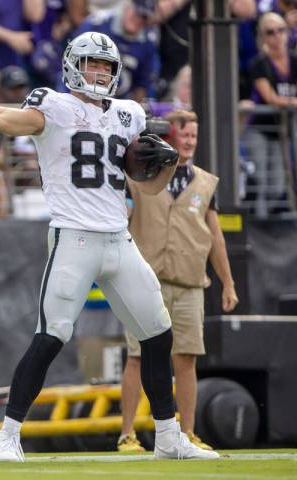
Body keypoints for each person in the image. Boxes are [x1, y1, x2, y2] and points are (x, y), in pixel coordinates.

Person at [0, 30, 219, 461]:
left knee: (158, 333)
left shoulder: (128, 114)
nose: (98, 72)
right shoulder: (52, 106)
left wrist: (164, 166)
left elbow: (148, 191)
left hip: (119, 236)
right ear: (73, 65)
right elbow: (0, 116)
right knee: (52, 335)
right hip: (74, 235)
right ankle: (8, 435)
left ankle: (168, 437)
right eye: (91, 63)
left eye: (106, 66)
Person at [117, 109, 239, 453]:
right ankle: (127, 434)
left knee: (186, 357)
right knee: (137, 355)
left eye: (194, 137)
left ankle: (187, 432)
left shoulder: (205, 181)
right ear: (169, 136)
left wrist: (227, 283)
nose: (189, 142)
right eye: (184, 135)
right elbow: (122, 217)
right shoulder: (141, 174)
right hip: (144, 279)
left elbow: (216, 237)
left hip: (189, 282)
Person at [244, 12, 297, 217]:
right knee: (260, 179)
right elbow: (271, 98)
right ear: (263, 37)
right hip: (260, 128)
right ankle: (259, 224)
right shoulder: (259, 64)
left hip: (282, 132)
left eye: (281, 30)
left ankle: (271, 226)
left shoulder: (294, 61)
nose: (277, 36)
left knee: (278, 184)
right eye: (270, 32)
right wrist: (292, 102)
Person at [69, 0, 158, 102]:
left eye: (144, 17)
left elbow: (142, 83)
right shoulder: (97, 24)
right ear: (127, 7)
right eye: (136, 13)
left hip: (119, 102)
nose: (138, 19)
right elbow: (72, 61)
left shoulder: (148, 41)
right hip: (82, 92)